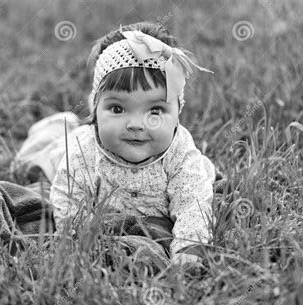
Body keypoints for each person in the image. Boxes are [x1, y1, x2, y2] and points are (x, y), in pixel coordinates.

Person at [12, 21, 216, 270]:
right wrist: (76, 240)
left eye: (155, 110)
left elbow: (191, 200)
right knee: (39, 163)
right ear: (96, 108)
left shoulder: (180, 152)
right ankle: (57, 124)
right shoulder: (83, 150)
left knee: (202, 177)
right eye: (118, 108)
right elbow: (69, 198)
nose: (136, 124)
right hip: (65, 155)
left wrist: (189, 247)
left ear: (177, 111)